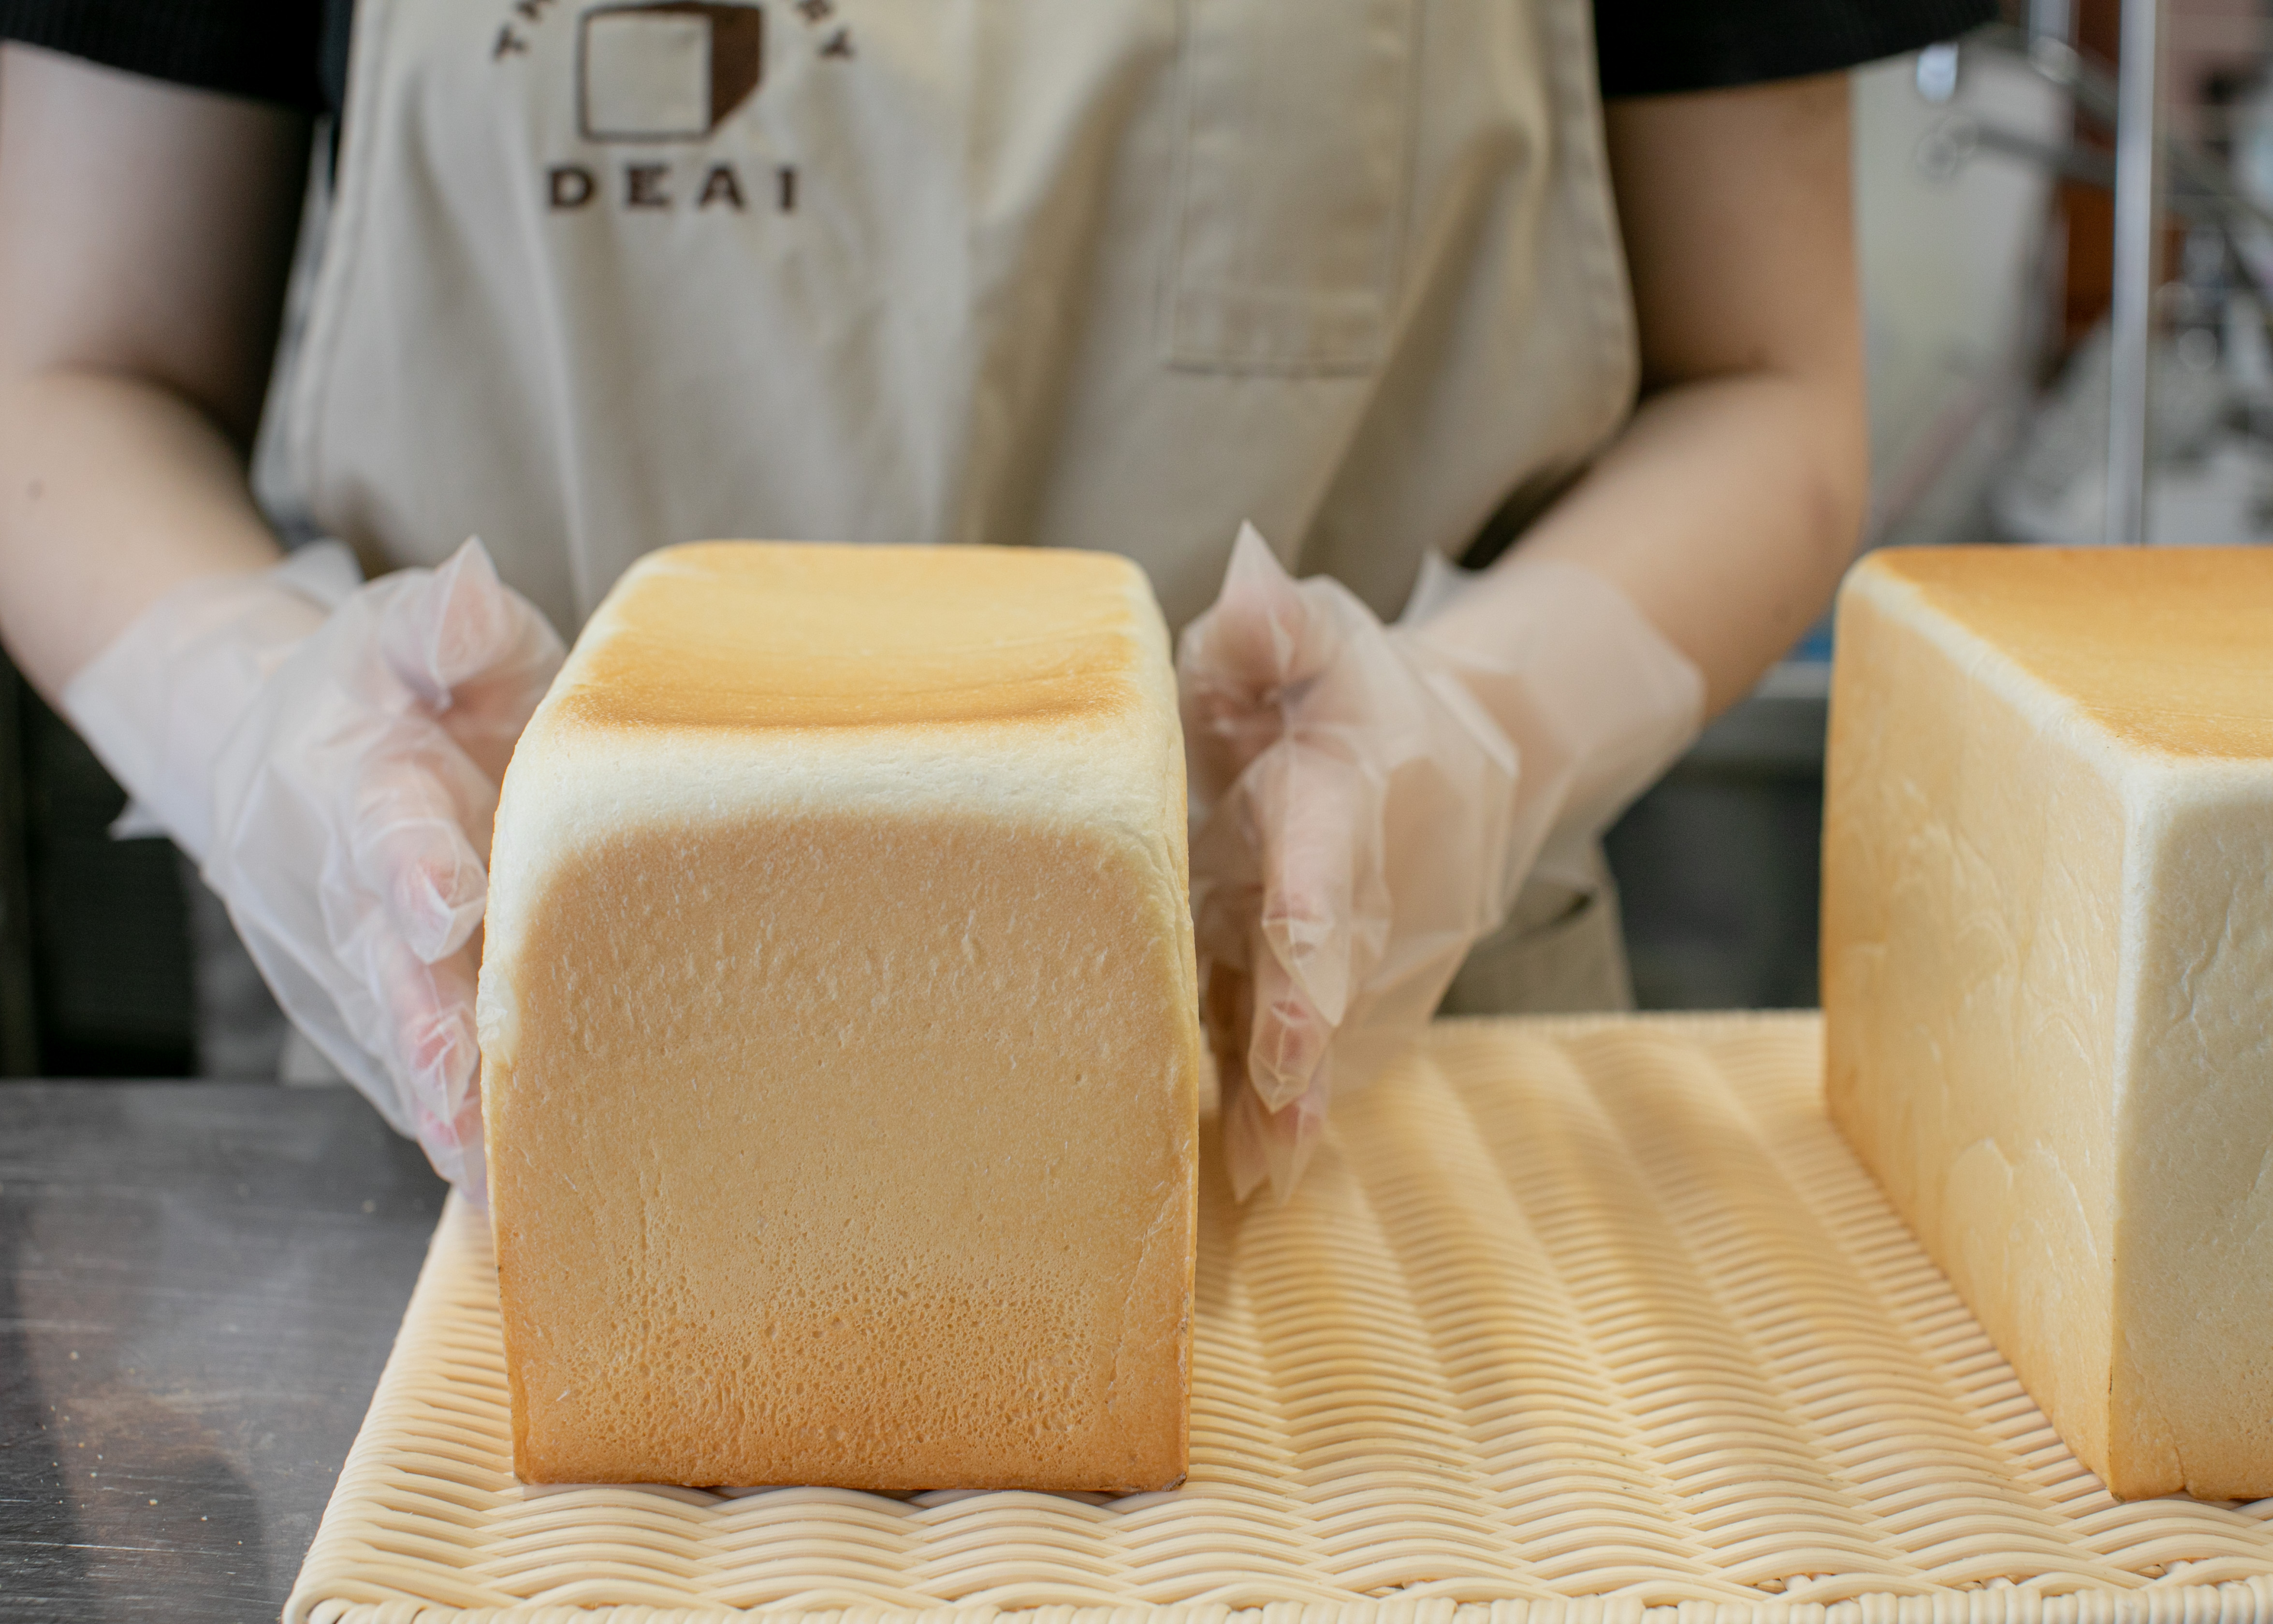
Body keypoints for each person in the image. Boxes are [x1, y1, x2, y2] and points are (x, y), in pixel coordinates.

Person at [0, 0, 1985, 1200]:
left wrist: (1470, 740)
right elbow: (66, 379)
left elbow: (1773, 383)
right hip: (501, 1164)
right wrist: (268, 731)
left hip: (1337, 1140)